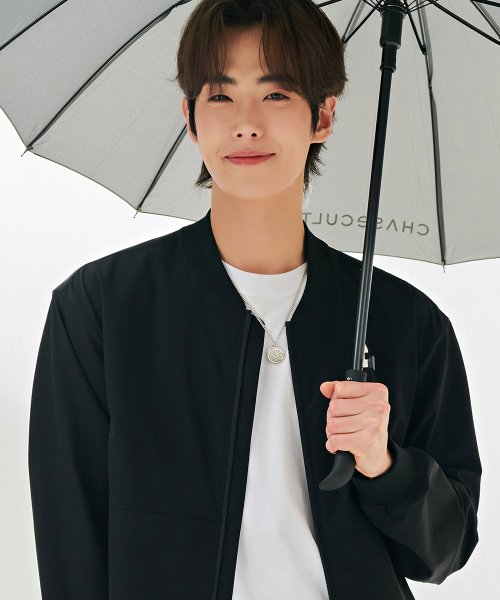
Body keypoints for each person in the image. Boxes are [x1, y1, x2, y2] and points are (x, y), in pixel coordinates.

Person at [28, 1, 481, 599]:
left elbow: (445, 552)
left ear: (323, 116)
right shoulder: (102, 309)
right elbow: (70, 538)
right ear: (190, 118)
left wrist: (384, 463)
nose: (246, 124)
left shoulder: (406, 323)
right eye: (221, 95)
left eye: (275, 94)